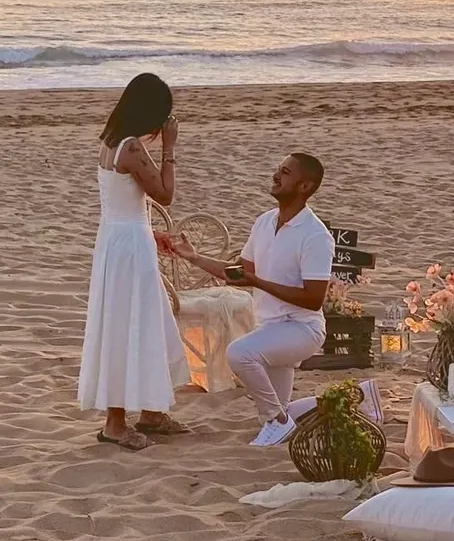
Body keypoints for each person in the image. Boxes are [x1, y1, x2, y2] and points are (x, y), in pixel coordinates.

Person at [174, 153, 333, 446]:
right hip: (269, 327)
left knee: (239, 354)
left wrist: (258, 282)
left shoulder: (316, 236)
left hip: (302, 329)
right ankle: (343, 403)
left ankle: (278, 420)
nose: (276, 176)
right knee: (278, 409)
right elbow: (240, 274)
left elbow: (313, 299)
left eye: (285, 172)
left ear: (304, 186)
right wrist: (193, 257)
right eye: (278, 169)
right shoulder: (264, 222)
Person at [79, 72, 192, 450]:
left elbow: (125, 202)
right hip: (127, 245)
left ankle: (151, 412)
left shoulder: (110, 142)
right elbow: (165, 193)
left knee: (144, 320)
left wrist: (149, 231)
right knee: (127, 323)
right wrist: (170, 148)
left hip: (120, 237)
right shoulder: (131, 148)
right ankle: (114, 423)